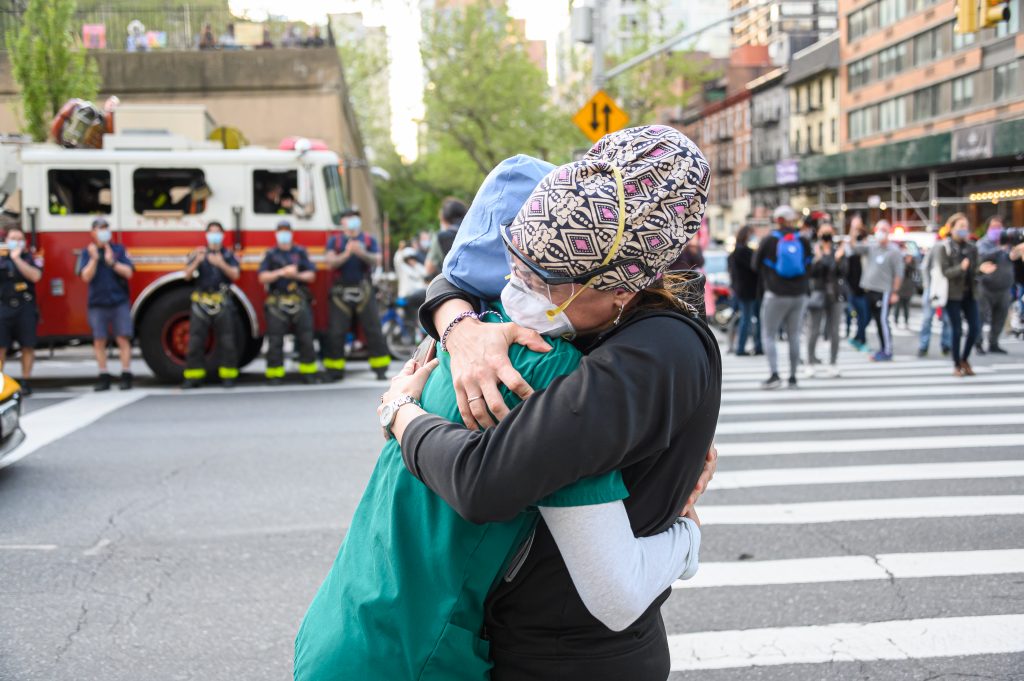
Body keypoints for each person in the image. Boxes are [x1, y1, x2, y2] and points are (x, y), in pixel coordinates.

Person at [392, 127, 720, 680]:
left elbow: (483, 481)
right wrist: (460, 325)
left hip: (579, 656)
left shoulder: (652, 356)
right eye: (515, 265)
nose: (516, 289)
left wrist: (400, 414)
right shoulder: (592, 279)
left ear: (622, 286)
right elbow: (453, 282)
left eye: (542, 281)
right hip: (522, 636)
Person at [322, 208, 390, 381]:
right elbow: (330, 262)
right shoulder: (335, 241)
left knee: (373, 329)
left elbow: (377, 260)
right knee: (336, 331)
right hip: (340, 292)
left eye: (354, 218)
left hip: (364, 290)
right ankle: (334, 370)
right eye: (348, 218)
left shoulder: (368, 240)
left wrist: (361, 253)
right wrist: (347, 253)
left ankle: (380, 368)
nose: (351, 221)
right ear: (342, 222)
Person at [755, 204, 813, 389]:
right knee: (794, 335)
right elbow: (810, 263)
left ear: (777, 220)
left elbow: (755, 264)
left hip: (775, 294)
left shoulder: (769, 240)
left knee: (769, 334)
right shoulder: (802, 240)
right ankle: (793, 377)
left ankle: (774, 375)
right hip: (799, 294)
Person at [182, 222, 241, 389]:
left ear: (223, 235)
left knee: (227, 340)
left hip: (222, 301)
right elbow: (186, 275)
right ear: (206, 235)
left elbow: (235, 274)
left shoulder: (228, 255)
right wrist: (197, 261)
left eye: (217, 232)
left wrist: (220, 263)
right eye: (211, 232)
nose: (214, 235)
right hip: (201, 301)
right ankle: (193, 377)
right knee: (195, 341)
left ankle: (228, 376)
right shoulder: (198, 253)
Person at [77, 218, 135, 391]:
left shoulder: (119, 250)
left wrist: (111, 262)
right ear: (92, 232)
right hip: (97, 302)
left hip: (119, 301)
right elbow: (85, 276)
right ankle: (103, 375)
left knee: (122, 338)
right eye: (99, 228)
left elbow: (128, 273)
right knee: (99, 340)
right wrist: (94, 259)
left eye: (105, 228)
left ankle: (126, 374)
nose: (103, 231)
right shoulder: (87, 252)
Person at [258, 220, 318, 384]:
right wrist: (281, 272)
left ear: (291, 233)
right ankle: (275, 374)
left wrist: (296, 275)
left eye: (286, 230)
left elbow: (311, 275)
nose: (284, 234)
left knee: (306, 337)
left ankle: (308, 373)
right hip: (277, 301)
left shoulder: (300, 252)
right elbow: (262, 276)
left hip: (298, 300)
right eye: (280, 231)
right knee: (275, 339)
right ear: (276, 233)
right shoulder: (270, 254)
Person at [937, 213, 981, 377]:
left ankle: (965, 358)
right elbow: (945, 272)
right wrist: (960, 268)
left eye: (965, 226)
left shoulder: (972, 247)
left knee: (975, 328)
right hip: (953, 294)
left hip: (970, 293)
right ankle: (956, 364)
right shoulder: (945, 247)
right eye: (960, 226)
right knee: (956, 330)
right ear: (952, 228)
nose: (964, 229)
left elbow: (976, 268)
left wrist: (981, 270)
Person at [0, 227, 42, 395]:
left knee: (27, 346)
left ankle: (25, 381)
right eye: (13, 238)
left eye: (19, 238)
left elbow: (35, 276)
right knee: (1, 347)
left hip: (26, 307)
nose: (16, 241)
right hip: (3, 307)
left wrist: (17, 260)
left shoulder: (31, 258)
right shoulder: (1, 259)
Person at [855, 220, 904, 362]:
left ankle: (887, 350)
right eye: (879, 229)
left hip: (884, 291)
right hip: (870, 289)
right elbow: (854, 248)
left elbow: (898, 274)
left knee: (882, 321)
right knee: (874, 320)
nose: (881, 232)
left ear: (888, 232)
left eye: (884, 230)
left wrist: (895, 292)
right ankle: (880, 347)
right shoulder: (872, 246)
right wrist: (854, 230)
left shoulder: (893, 251)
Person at [804, 223, 846, 378]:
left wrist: (836, 258)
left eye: (829, 232)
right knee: (813, 330)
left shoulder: (838, 251)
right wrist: (818, 259)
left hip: (834, 294)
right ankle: (809, 362)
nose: (826, 236)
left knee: (834, 331)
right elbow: (811, 273)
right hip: (817, 294)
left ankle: (833, 363)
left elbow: (842, 272)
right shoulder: (814, 250)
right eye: (824, 233)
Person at [976, 225, 1015, 355]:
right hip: (986, 288)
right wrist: (999, 249)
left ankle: (994, 343)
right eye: (995, 228)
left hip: (1004, 289)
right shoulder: (983, 244)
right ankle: (978, 343)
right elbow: (980, 257)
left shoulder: (1010, 246)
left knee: (1000, 317)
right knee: (981, 316)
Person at [918, 225, 953, 357]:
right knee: (927, 318)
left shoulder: (954, 249)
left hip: (947, 289)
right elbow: (925, 266)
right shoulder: (937, 247)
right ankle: (923, 346)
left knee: (947, 319)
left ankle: (946, 345)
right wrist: (927, 285)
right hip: (933, 287)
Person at [728, 225, 762, 356]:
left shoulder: (735, 252)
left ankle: (745, 346)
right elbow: (755, 268)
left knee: (747, 318)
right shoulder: (745, 251)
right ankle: (744, 347)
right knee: (749, 319)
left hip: (742, 290)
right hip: (749, 290)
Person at [425, 197, 468, 279]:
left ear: (443, 218)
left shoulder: (440, 236)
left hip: (452, 285)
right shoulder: (474, 232)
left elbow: (429, 268)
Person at [844, 216, 870, 350]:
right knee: (859, 315)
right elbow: (851, 248)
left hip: (864, 286)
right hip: (853, 287)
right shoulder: (849, 246)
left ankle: (859, 338)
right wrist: (852, 233)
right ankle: (860, 339)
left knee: (865, 316)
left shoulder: (866, 244)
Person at [393, 246, 427, 313]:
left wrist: (416, 265)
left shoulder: (417, 268)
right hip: (405, 299)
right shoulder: (402, 269)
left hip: (417, 299)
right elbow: (397, 261)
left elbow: (425, 273)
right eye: (409, 258)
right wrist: (400, 250)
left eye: (412, 258)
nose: (411, 260)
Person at [892, 249, 917, 329]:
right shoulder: (901, 265)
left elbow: (914, 273)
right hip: (900, 289)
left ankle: (906, 321)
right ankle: (895, 320)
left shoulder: (913, 266)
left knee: (906, 307)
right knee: (897, 307)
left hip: (908, 289)